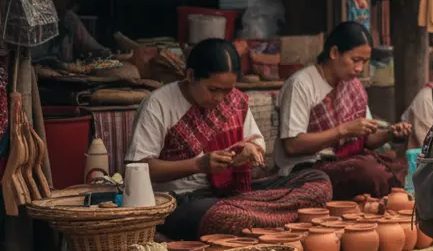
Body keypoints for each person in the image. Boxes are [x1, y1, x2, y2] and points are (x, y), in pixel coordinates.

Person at [126, 39, 331, 239]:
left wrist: (249, 150)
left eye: (227, 90)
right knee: (225, 217)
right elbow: (139, 167)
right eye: (213, 89)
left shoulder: (234, 101)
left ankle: (255, 218)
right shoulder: (158, 104)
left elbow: (256, 144)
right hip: (182, 201)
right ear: (191, 76)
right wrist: (198, 164)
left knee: (318, 182)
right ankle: (265, 219)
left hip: (234, 194)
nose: (220, 99)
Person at [275, 22, 411, 201]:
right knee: (368, 173)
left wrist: (390, 134)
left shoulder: (352, 85)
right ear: (334, 53)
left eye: (364, 62)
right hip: (307, 168)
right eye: (355, 60)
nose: (359, 68)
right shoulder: (301, 84)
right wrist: (344, 130)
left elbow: (367, 140)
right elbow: (292, 145)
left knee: (397, 164)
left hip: (346, 161)